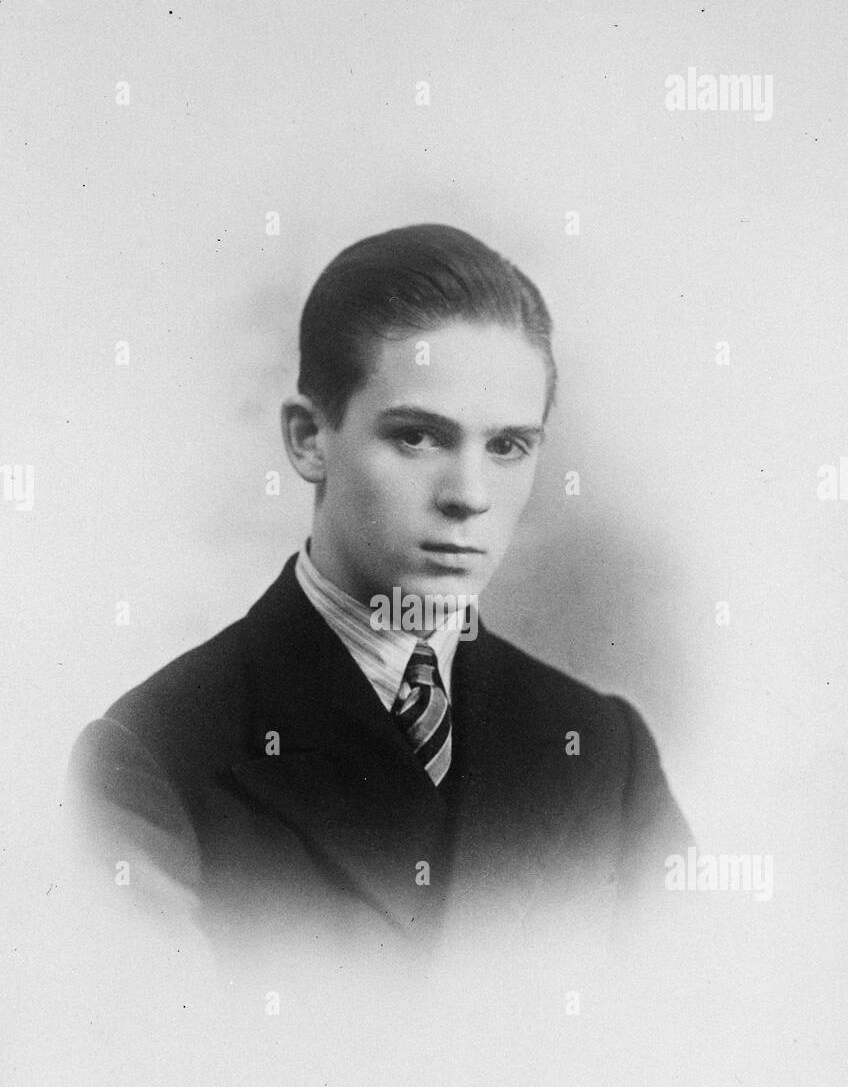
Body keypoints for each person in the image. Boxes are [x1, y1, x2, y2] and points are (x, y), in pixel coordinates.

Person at [67, 224, 691, 962]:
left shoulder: (603, 750)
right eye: (417, 437)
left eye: (506, 446)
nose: (468, 495)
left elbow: (696, 1012)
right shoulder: (152, 759)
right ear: (308, 439)